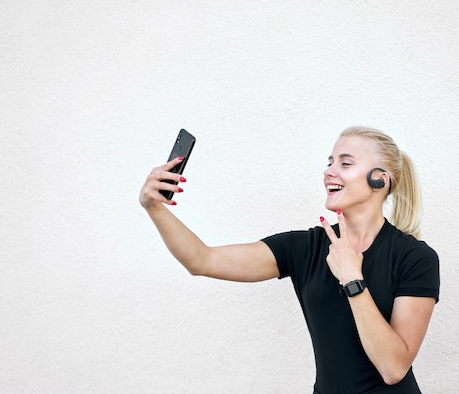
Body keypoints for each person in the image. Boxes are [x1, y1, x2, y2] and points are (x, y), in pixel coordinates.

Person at [139, 126, 440, 394]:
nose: (329, 171)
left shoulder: (415, 258)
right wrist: (154, 207)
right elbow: (202, 260)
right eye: (329, 162)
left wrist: (352, 280)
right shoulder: (304, 247)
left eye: (345, 163)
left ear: (380, 180)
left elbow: (393, 368)